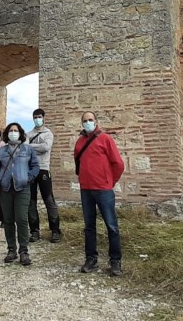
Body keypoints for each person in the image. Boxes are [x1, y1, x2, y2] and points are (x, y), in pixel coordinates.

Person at [74, 111, 126, 277]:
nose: (88, 122)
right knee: (89, 227)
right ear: (81, 124)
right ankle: (91, 259)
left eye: (90, 120)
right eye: (85, 121)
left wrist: (110, 182)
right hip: (86, 190)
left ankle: (115, 261)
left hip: (103, 189)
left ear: (96, 121)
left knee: (111, 225)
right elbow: (78, 162)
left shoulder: (105, 139)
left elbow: (118, 163)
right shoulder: (80, 142)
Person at [0, 122, 40, 266]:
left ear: (20, 133)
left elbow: (35, 165)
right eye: (11, 130)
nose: (13, 133)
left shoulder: (27, 149)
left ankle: (24, 251)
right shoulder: (2, 151)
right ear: (7, 134)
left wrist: (29, 177)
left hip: (23, 188)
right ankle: (11, 249)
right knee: (8, 220)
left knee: (21, 219)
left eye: (16, 130)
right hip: (6, 188)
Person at [26, 108, 62, 243]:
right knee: (31, 201)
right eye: (35, 117)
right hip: (30, 170)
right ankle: (34, 231)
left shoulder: (48, 133)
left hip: (44, 169)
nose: (37, 119)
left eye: (39, 116)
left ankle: (55, 230)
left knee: (49, 200)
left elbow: (46, 147)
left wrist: (31, 146)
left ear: (43, 117)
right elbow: (25, 148)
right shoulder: (28, 134)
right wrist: (36, 146)